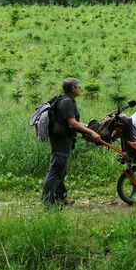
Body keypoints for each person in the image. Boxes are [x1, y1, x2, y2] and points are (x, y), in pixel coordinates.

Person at [42, 77, 102, 207]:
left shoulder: (66, 99)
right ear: (73, 89)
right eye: (79, 86)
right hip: (61, 140)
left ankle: (60, 198)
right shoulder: (67, 102)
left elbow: (73, 121)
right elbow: (72, 123)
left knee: (61, 169)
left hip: (63, 138)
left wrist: (89, 127)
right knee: (57, 168)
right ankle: (47, 202)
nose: (81, 88)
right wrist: (90, 133)